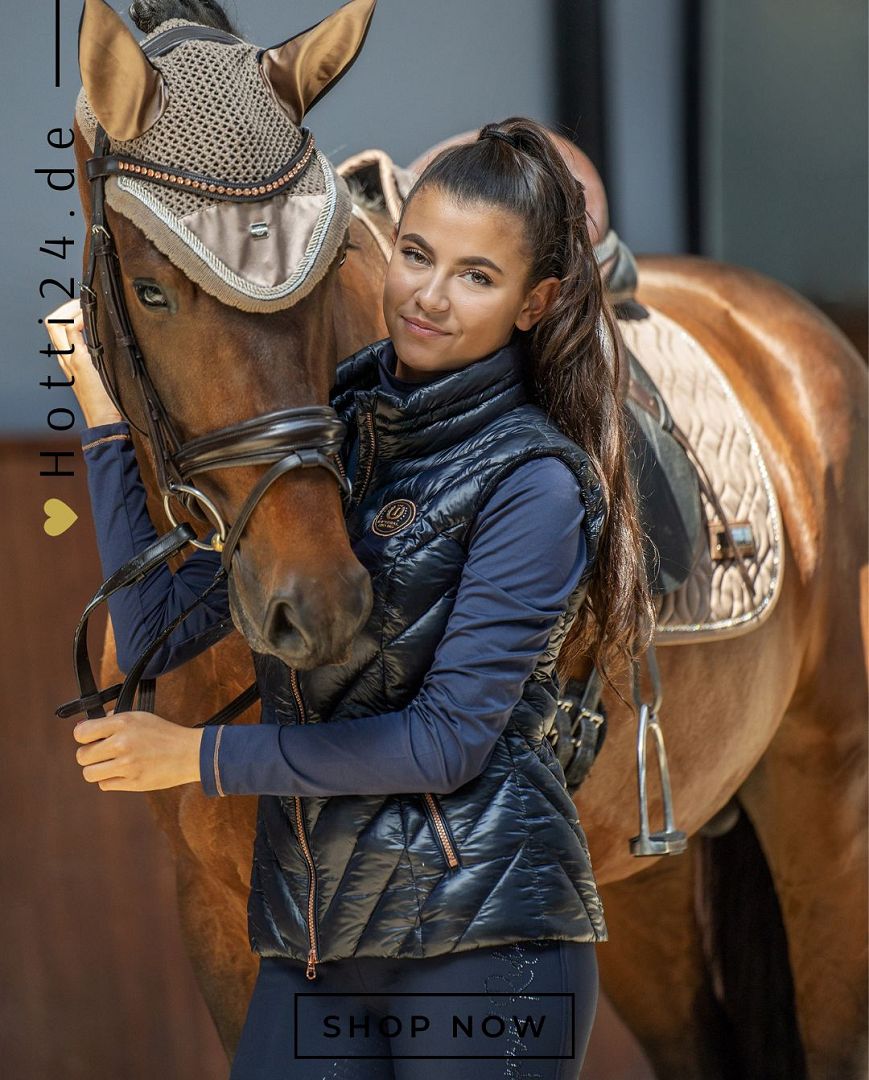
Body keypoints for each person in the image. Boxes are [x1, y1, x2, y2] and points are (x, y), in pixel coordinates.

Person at [50, 117, 653, 1079]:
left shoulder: (533, 482)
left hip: (485, 946)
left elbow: (445, 742)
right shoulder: (328, 434)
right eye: (417, 254)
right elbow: (159, 629)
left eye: (477, 276)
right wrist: (104, 419)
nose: (428, 296)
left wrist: (197, 756)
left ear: (535, 302)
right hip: (317, 946)